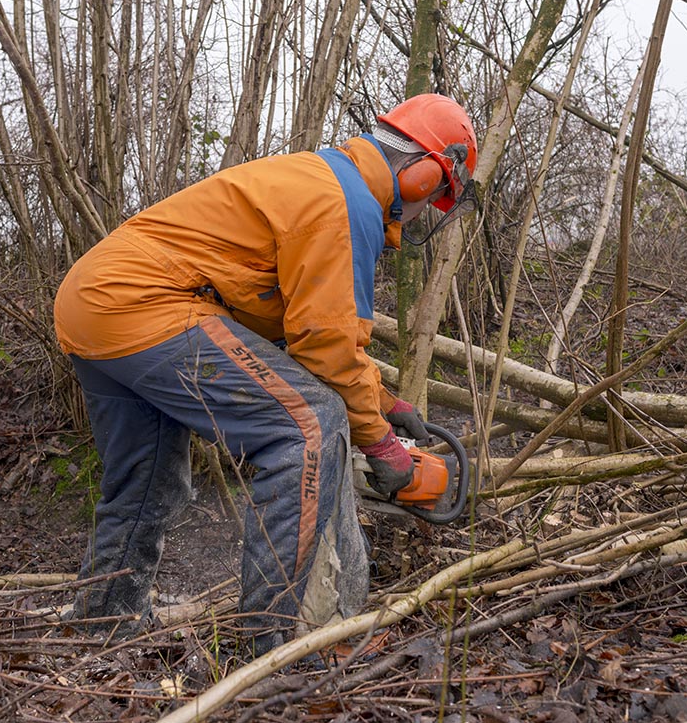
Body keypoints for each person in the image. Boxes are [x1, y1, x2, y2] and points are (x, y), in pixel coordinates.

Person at [52, 93, 479, 653]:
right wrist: (381, 444)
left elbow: (324, 333)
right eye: (438, 197)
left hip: (93, 304)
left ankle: (103, 620)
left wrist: (385, 403)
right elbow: (324, 343)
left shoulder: (329, 182)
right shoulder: (345, 204)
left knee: (147, 477)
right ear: (424, 175)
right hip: (149, 304)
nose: (430, 210)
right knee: (310, 424)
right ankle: (279, 640)